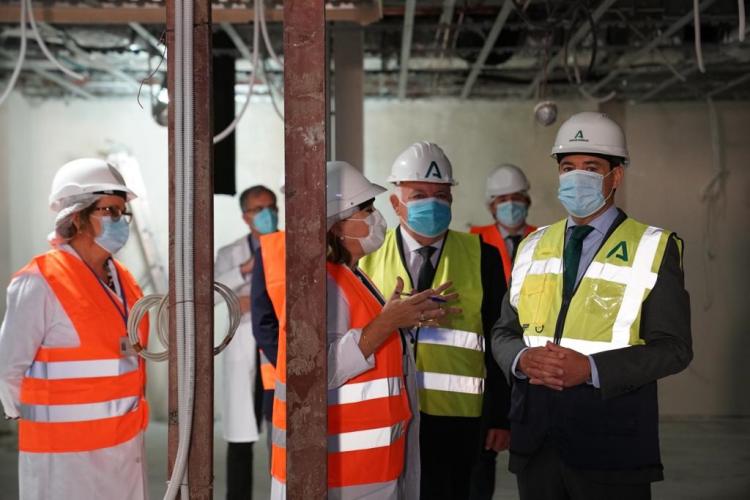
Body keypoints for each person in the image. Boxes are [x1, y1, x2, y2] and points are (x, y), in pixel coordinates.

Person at [491, 112, 693, 500]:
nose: (576, 177)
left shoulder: (653, 246)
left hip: (611, 444)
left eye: (591, 167)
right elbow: (504, 331)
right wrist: (521, 360)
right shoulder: (533, 245)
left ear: (615, 177)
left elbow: (674, 349)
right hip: (535, 440)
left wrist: (592, 369)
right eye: (568, 167)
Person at [257, 161, 459, 499]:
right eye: (366, 209)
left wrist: (400, 315)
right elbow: (314, 373)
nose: (376, 218)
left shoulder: (350, 275)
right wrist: (387, 321)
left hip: (363, 470)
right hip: (335, 474)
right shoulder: (318, 284)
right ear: (337, 225)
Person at [358, 142, 510, 500]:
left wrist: (501, 417)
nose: (433, 203)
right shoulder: (366, 258)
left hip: (460, 420)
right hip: (388, 413)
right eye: (420, 194)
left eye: (442, 195)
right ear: (396, 203)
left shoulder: (482, 255)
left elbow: (498, 338)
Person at [0, 158, 150, 499]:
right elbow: (8, 369)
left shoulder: (125, 281)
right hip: (64, 464)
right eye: (109, 211)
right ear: (77, 217)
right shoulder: (39, 281)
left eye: (122, 213)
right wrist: (30, 420)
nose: (119, 221)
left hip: (125, 451)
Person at [214, 185, 279, 499]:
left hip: (278, 350)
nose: (266, 213)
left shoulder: (293, 244)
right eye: (257, 209)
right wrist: (245, 269)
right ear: (245, 217)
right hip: (244, 353)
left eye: (271, 206)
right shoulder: (231, 254)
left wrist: (254, 301)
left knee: (283, 435)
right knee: (241, 440)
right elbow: (211, 293)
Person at [470, 164, 537, 285]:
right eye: (503, 200)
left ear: (527, 202)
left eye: (516, 198)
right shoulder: (475, 239)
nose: (510, 204)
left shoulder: (542, 237)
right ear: (492, 207)